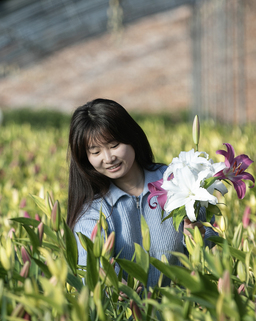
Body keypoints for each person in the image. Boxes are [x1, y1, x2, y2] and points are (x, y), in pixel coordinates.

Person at [66, 98, 218, 289]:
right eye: (95, 152)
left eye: (114, 145)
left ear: (132, 138)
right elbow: (88, 269)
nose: (108, 158)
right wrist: (114, 287)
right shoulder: (93, 212)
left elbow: (210, 238)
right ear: (85, 159)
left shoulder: (175, 180)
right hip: (130, 313)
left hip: (181, 308)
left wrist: (196, 238)